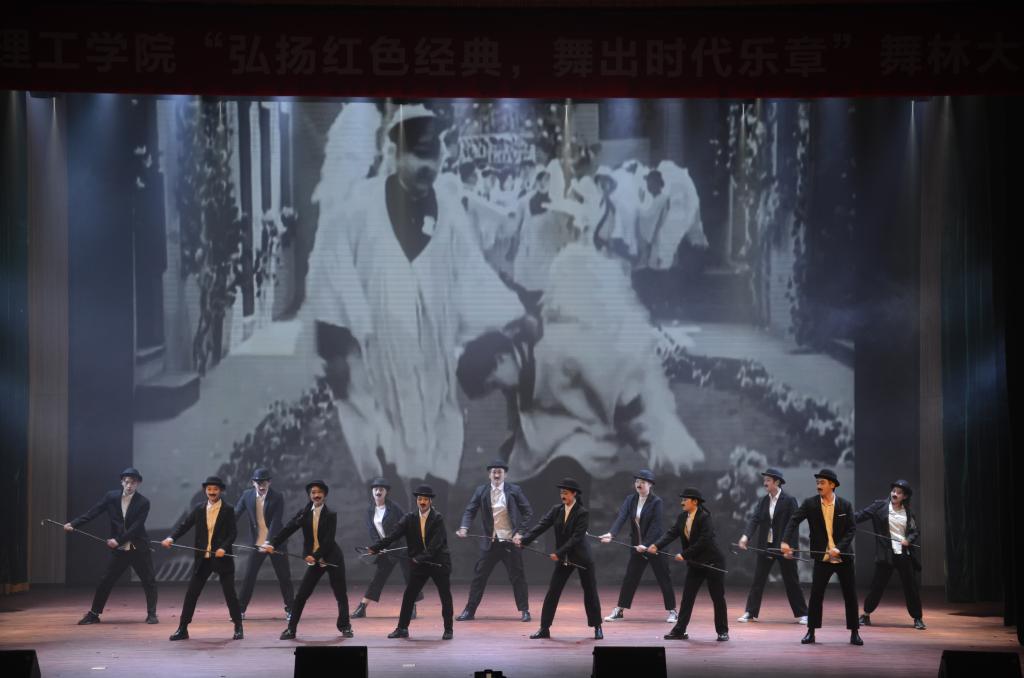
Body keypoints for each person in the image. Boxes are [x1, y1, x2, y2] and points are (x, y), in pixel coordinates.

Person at [305, 103, 524, 509]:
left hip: (432, 346)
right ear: (396, 154)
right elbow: (331, 271)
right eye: (418, 156)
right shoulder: (360, 207)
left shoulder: (447, 208)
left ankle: (430, 511)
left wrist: (511, 315)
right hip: (376, 350)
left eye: (433, 156)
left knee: (440, 427)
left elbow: (471, 271)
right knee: (382, 437)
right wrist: (333, 347)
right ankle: (394, 510)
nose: (428, 166)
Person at [65, 467, 158, 625]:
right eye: (127, 482)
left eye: (133, 482)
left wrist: (118, 540)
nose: (129, 485)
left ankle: (152, 614)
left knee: (149, 581)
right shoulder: (111, 497)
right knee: (106, 581)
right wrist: (74, 524)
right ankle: (94, 614)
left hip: (138, 548)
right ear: (122, 482)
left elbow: (136, 527)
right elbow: (93, 512)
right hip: (120, 551)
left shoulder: (143, 502)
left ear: (138, 484)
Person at [515, 477, 603, 640]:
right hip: (564, 558)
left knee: (590, 592)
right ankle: (544, 628)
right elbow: (541, 525)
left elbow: (576, 538)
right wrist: (524, 540)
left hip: (582, 558)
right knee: (553, 592)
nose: (563, 495)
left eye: (566, 493)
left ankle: (597, 626)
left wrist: (559, 552)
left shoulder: (582, 513)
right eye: (561, 492)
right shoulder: (556, 510)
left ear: (574, 494)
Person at [781, 468, 862, 645]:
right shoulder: (810, 504)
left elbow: (851, 530)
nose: (819, 485)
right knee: (816, 595)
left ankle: (854, 632)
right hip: (822, 557)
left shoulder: (845, 505)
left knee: (850, 595)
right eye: (817, 482)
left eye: (822, 483)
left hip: (843, 558)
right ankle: (811, 631)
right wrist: (785, 541)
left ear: (832, 485)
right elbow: (794, 520)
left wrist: (839, 548)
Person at [264, 480, 353, 640]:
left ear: (325, 495)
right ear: (309, 495)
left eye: (319, 492)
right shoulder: (304, 513)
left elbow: (328, 541)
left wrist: (316, 556)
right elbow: (289, 528)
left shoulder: (331, 514)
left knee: (340, 594)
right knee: (301, 595)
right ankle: (291, 629)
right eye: (313, 492)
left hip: (333, 559)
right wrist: (273, 544)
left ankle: (345, 626)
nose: (316, 495)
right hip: (315, 560)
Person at [162, 475, 243, 641]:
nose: (212, 492)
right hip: (203, 560)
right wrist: (172, 538)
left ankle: (238, 627)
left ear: (220, 491)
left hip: (222, 559)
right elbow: (185, 525)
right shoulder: (199, 509)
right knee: (191, 594)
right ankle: (182, 628)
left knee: (230, 594)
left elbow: (232, 533)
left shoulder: (228, 509)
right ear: (205, 491)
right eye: (209, 489)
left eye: (215, 489)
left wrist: (223, 547)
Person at [369, 485, 455, 640]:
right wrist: (376, 547)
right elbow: (393, 535)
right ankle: (402, 628)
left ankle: (448, 629)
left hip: (438, 563)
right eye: (420, 499)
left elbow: (435, 545)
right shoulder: (409, 518)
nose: (422, 502)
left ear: (430, 501)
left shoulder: (437, 518)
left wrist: (419, 558)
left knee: (445, 596)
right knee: (409, 596)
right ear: (417, 500)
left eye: (425, 499)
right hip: (420, 565)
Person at [455, 459, 533, 622]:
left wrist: (520, 533)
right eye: (494, 472)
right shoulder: (481, 491)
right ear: (489, 475)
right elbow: (470, 511)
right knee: (479, 576)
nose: (497, 475)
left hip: (510, 542)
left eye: (500, 472)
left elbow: (528, 512)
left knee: (518, 576)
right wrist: (464, 527)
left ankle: (525, 610)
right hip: (490, 542)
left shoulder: (514, 490)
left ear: (505, 474)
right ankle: (469, 610)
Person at [649, 487, 729, 641]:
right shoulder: (682, 517)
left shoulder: (704, 517)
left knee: (718, 598)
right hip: (696, 563)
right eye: (682, 499)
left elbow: (704, 541)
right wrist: (657, 546)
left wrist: (684, 554)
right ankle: (680, 630)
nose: (682, 502)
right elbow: (671, 533)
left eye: (685, 500)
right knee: (687, 598)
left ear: (695, 502)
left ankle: (722, 631)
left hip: (713, 563)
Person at [599, 469, 678, 624]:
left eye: (642, 482)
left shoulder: (656, 502)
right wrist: (611, 534)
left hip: (655, 547)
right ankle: (620, 610)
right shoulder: (630, 499)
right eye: (637, 481)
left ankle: (673, 611)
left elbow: (656, 527)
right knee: (630, 578)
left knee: (664, 579)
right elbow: (621, 517)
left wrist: (646, 544)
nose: (639, 484)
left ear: (650, 484)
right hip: (637, 547)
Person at [736, 468, 808, 624]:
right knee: (758, 580)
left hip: (783, 546)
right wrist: (745, 536)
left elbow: (794, 524)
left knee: (792, 581)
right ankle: (750, 612)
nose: (765, 483)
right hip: (766, 546)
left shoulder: (789, 500)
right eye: (765, 480)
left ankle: (803, 613)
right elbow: (755, 519)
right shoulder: (763, 501)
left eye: (768, 480)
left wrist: (791, 547)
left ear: (777, 482)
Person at [856, 479, 925, 630]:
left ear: (905, 496)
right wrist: (844, 518)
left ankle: (917, 618)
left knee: (911, 587)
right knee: (877, 586)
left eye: (899, 493)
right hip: (886, 554)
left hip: (904, 554)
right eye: (894, 491)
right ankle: (866, 615)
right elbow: (861, 515)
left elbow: (914, 531)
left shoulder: (908, 512)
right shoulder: (879, 506)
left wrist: (908, 540)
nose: (895, 494)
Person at [351, 477, 421, 620]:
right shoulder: (370, 511)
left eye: (381, 489)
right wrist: (378, 546)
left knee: (409, 578)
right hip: (385, 549)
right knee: (378, 577)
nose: (378, 491)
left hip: (401, 547)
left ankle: (411, 607)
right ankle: (362, 607)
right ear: (372, 491)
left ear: (386, 492)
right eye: (376, 489)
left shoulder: (394, 508)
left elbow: (405, 525)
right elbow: (372, 531)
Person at [233, 467, 294, 620]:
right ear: (253, 483)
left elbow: (276, 521)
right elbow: (236, 514)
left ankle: (291, 609)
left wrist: (269, 542)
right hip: (257, 543)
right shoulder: (247, 495)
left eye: (264, 482)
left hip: (276, 543)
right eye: (258, 482)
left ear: (269, 482)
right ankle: (240, 610)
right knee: (249, 576)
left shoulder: (277, 497)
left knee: (284, 576)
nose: (261, 485)